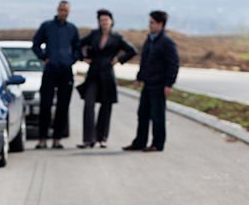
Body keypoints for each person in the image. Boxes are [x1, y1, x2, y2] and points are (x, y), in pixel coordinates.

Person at [76, 9, 137, 148]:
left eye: (106, 20)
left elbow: (132, 51)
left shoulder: (117, 38)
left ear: (111, 21)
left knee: (106, 107)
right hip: (93, 74)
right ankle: (88, 139)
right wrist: (83, 57)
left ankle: (101, 138)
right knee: (88, 105)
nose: (104, 23)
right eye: (101, 20)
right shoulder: (93, 35)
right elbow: (78, 44)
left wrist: (119, 60)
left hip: (107, 75)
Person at [123, 10, 180, 153]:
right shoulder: (150, 40)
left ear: (161, 24)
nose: (150, 25)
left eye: (152, 23)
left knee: (157, 116)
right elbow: (145, 61)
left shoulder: (167, 42)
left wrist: (169, 84)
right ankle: (139, 142)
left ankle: (157, 144)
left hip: (159, 85)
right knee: (142, 114)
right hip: (148, 84)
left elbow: (173, 64)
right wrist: (139, 77)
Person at [31, 0, 81, 149]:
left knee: (63, 106)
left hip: (65, 71)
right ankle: (42, 139)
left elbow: (78, 48)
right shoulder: (47, 26)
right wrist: (44, 57)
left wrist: (71, 60)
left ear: (69, 12)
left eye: (66, 11)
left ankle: (57, 139)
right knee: (45, 105)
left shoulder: (72, 29)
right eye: (61, 10)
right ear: (57, 10)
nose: (63, 13)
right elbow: (35, 44)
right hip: (50, 70)